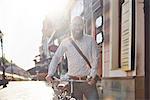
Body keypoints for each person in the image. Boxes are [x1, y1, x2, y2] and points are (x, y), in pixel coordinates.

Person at [46, 16, 99, 100]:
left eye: (79, 25)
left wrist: (92, 75)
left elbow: (95, 59)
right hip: (73, 83)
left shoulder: (90, 40)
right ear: (71, 26)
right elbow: (56, 57)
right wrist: (50, 73)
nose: (77, 27)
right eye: (75, 25)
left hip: (88, 82)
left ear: (83, 25)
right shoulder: (65, 42)